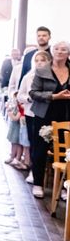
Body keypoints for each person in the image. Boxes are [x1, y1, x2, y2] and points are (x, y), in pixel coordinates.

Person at [29, 41, 70, 198]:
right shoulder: (42, 70)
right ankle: (38, 183)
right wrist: (53, 96)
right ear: (52, 52)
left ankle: (65, 187)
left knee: (66, 151)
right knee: (40, 150)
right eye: (57, 49)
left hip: (66, 115)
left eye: (63, 49)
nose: (60, 52)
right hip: (45, 114)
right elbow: (33, 93)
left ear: (68, 53)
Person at [18, 50, 50, 184]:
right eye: (37, 60)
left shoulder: (51, 77)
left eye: (42, 60)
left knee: (45, 145)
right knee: (33, 144)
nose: (39, 63)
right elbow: (20, 95)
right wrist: (29, 98)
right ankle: (33, 170)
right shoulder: (28, 77)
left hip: (47, 113)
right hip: (31, 113)